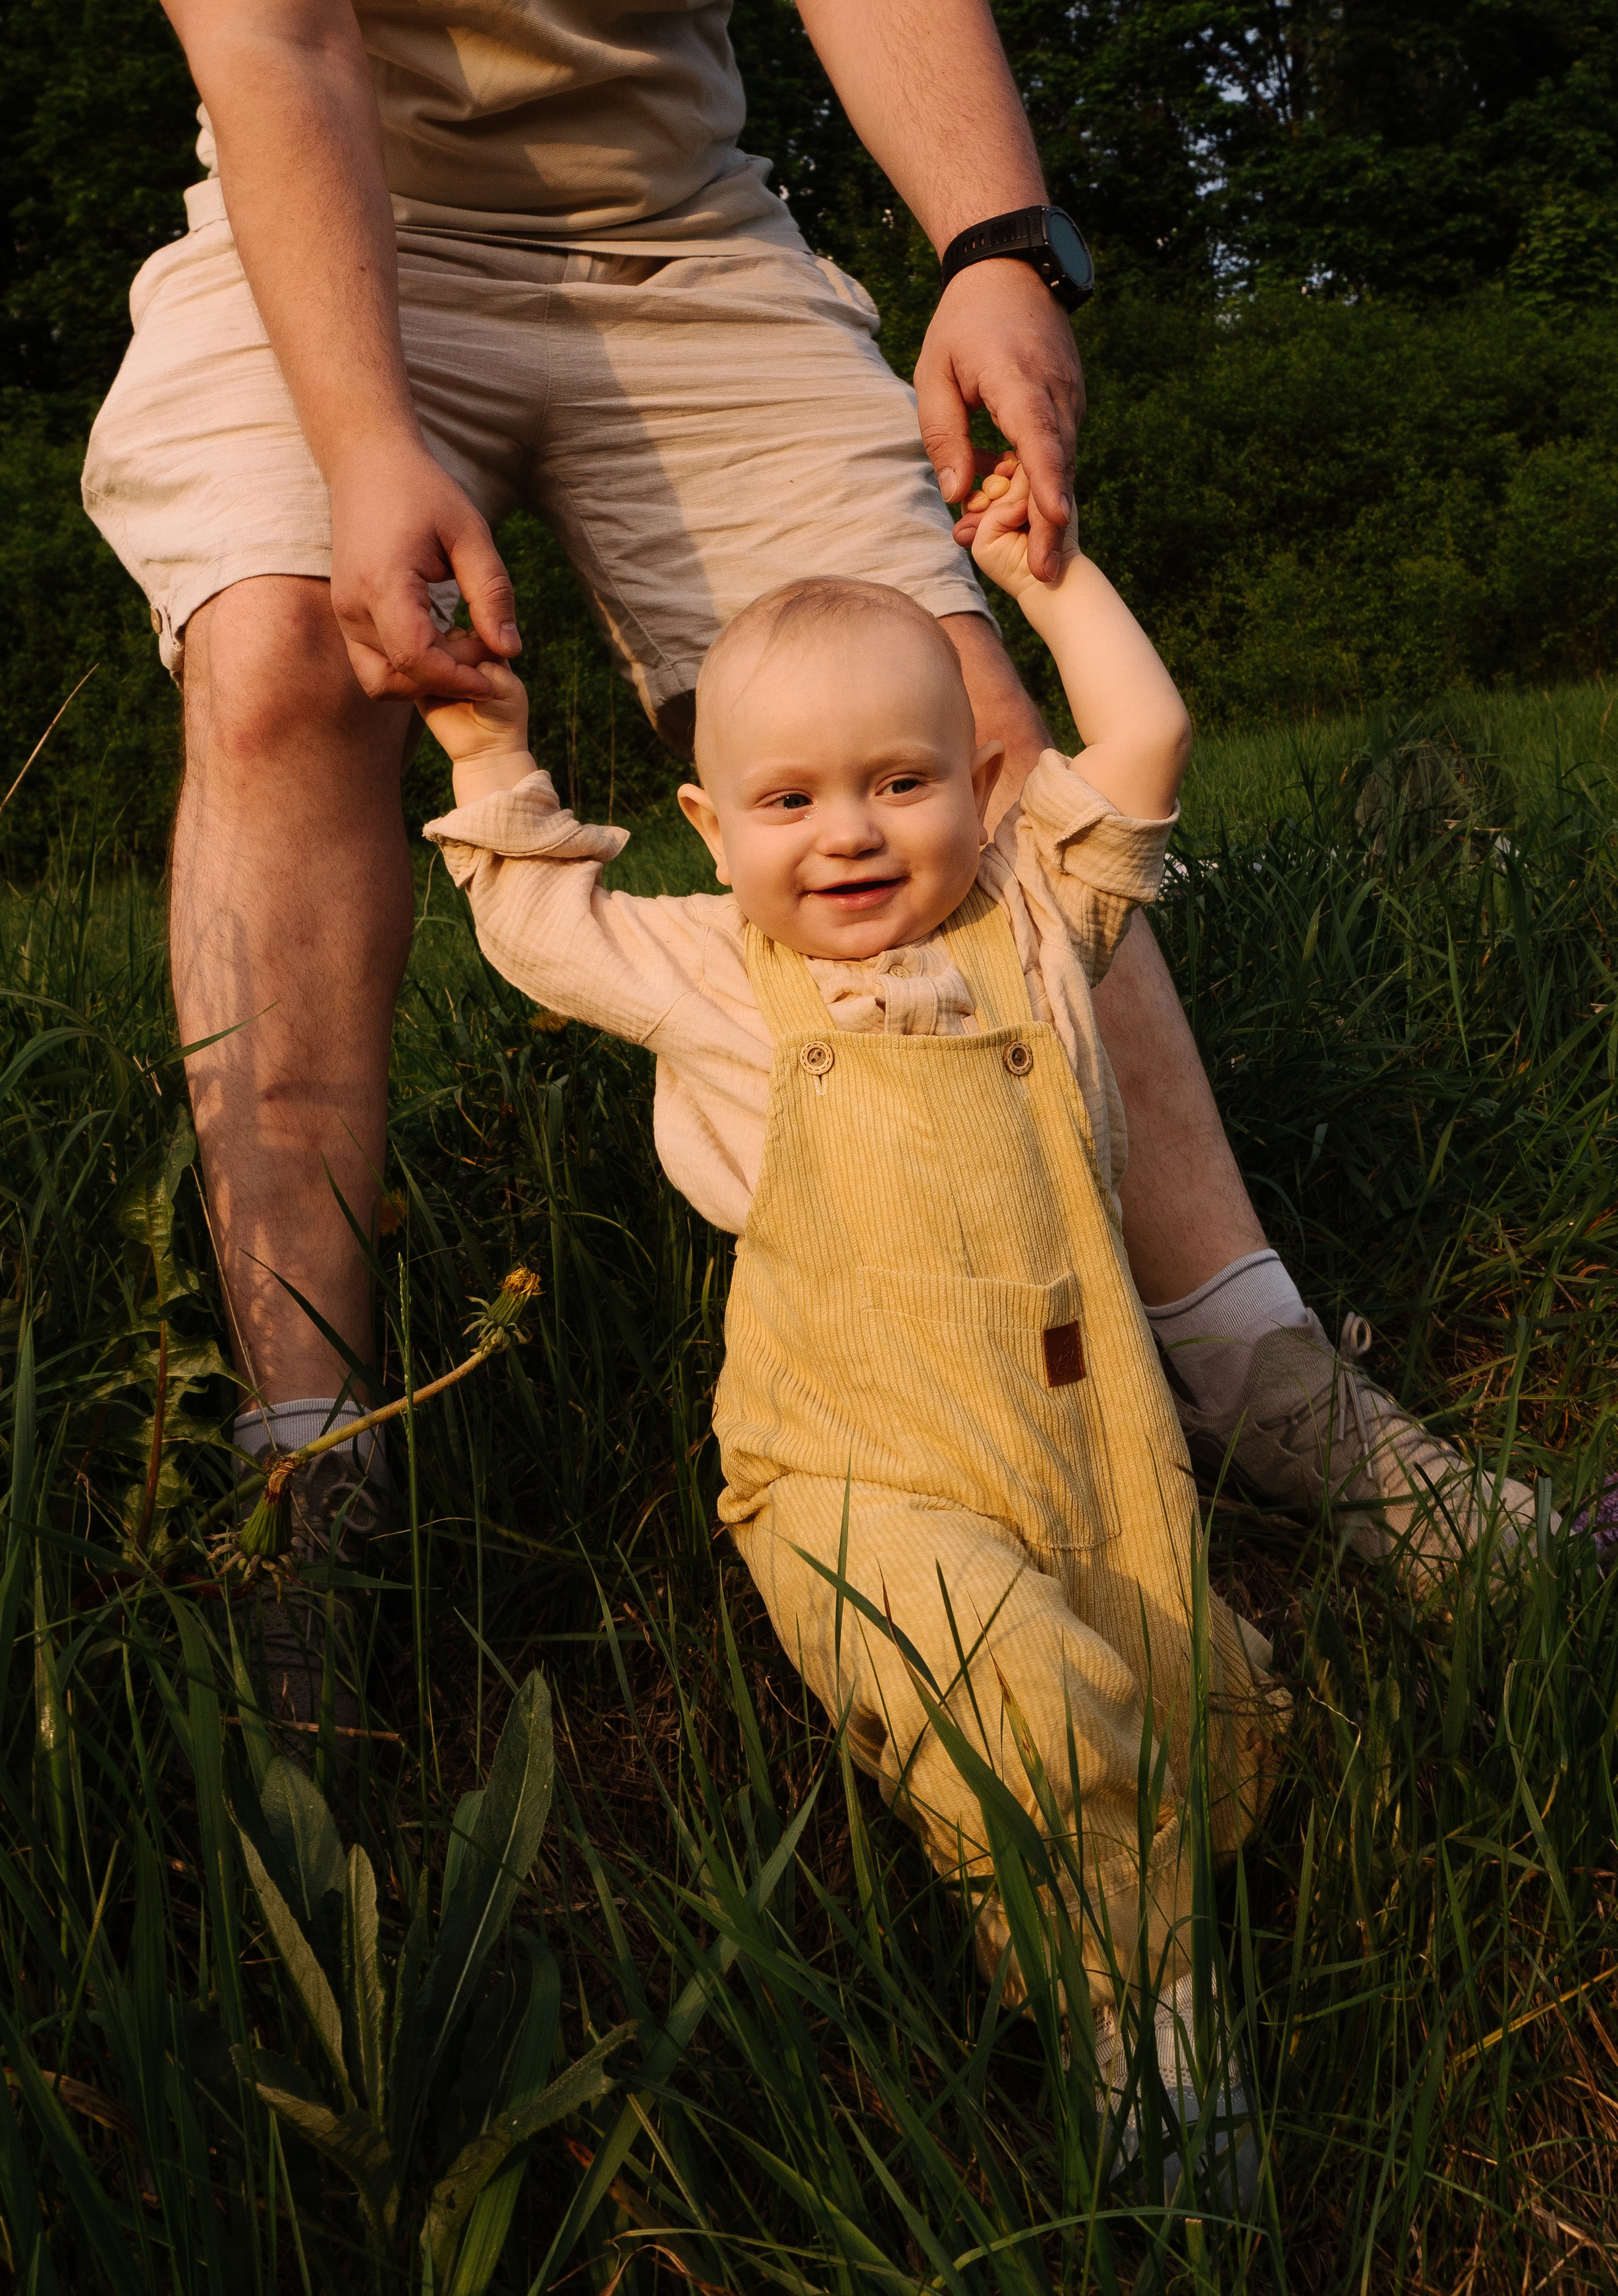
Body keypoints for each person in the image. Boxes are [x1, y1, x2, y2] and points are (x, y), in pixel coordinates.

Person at [76, 0, 1523, 1648]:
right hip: (333, 225)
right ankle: (308, 1461)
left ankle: (1262, 1376)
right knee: (282, 654)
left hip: (682, 236)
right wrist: (363, 444)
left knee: (966, 714)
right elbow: (269, 28)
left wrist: (999, 246)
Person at [418, 461, 1281, 2197]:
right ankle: (1144, 2025)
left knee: (1180, 1705)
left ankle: (1101, 1897)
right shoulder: (714, 969)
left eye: (902, 784)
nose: (852, 834)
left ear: (984, 787)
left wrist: (1047, 584)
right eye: (791, 800)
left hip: (1085, 1435)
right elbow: (529, 921)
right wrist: (479, 748)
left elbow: (1150, 742)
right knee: (1023, 1700)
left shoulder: (1039, 925)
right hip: (853, 1465)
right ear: (710, 826)